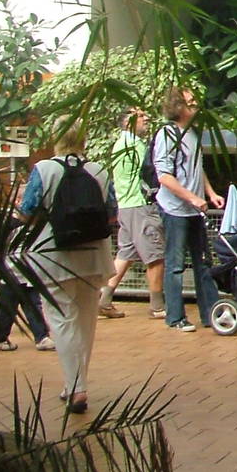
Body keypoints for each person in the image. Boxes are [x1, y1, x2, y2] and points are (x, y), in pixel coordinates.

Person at [12, 119, 118, 414]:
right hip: (94, 255)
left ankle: (76, 388)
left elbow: (27, 212)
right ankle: (75, 382)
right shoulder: (98, 170)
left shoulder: (44, 169)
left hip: (53, 256)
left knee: (61, 320)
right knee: (86, 321)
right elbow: (111, 214)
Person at [152, 86, 224, 331]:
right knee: (175, 264)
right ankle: (175, 316)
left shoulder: (192, 134)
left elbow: (195, 168)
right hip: (174, 209)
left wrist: (210, 193)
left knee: (203, 261)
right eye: (191, 103)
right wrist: (191, 198)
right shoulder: (167, 134)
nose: (195, 107)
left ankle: (210, 313)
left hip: (195, 209)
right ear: (178, 107)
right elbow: (164, 176)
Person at [98, 108, 165, 319]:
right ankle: (157, 306)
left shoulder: (120, 144)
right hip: (140, 206)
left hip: (125, 206)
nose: (147, 118)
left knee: (125, 254)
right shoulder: (135, 145)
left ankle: (104, 300)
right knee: (155, 255)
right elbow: (148, 174)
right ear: (128, 123)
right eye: (141, 116)